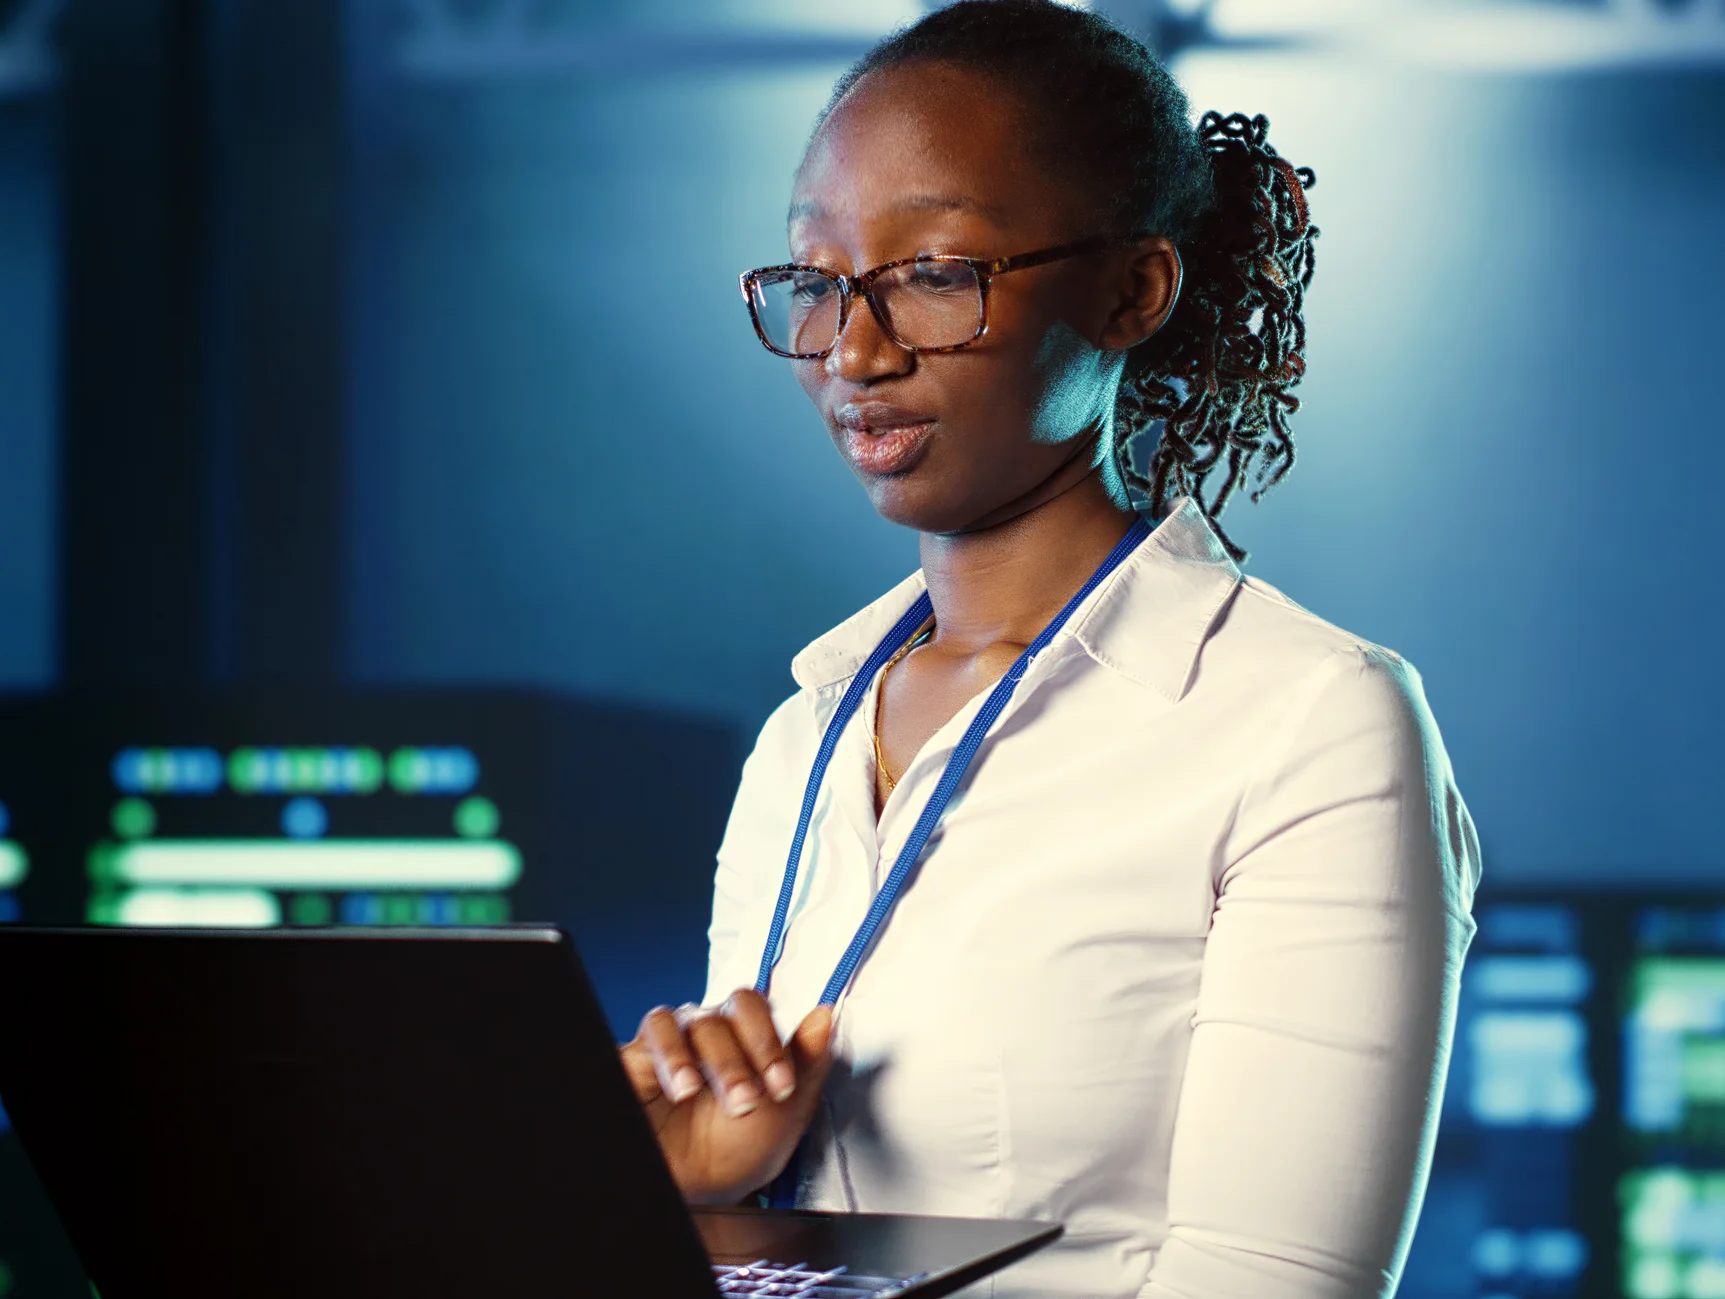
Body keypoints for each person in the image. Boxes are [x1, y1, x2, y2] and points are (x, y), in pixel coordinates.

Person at [618, 4, 1480, 1297]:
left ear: (1133, 291)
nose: (856, 348)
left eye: (936, 273)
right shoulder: (805, 736)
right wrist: (690, 1194)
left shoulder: (1308, 726)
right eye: (819, 278)